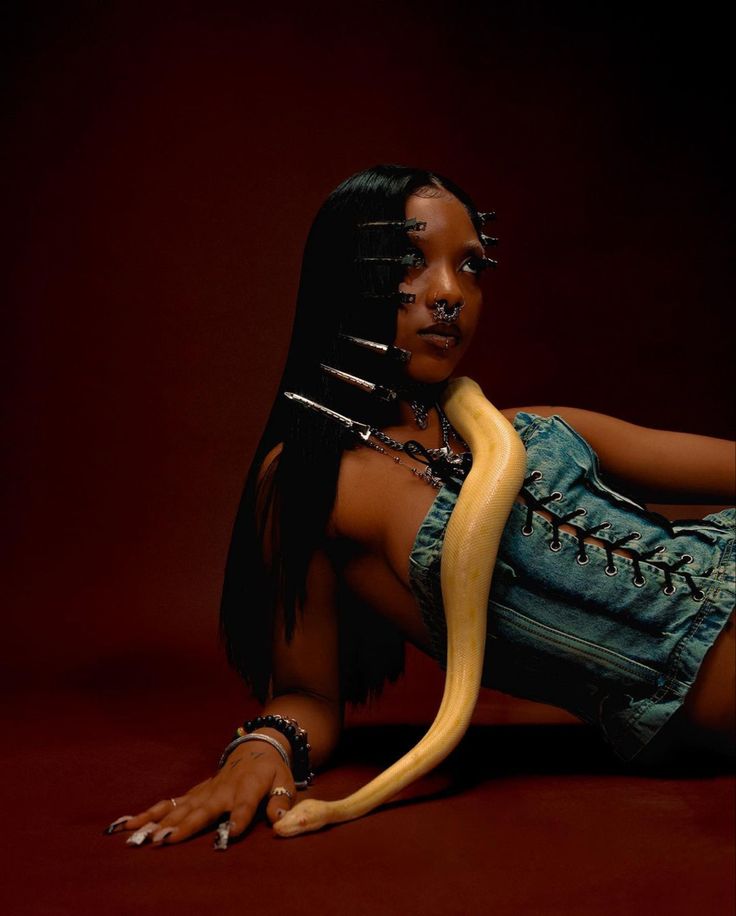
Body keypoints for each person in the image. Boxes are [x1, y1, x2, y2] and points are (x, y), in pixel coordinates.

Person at [105, 165, 735, 849]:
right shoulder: (312, 482)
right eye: (411, 261)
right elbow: (308, 696)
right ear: (345, 276)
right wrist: (263, 750)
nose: (449, 293)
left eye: (470, 267)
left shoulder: (535, 430)